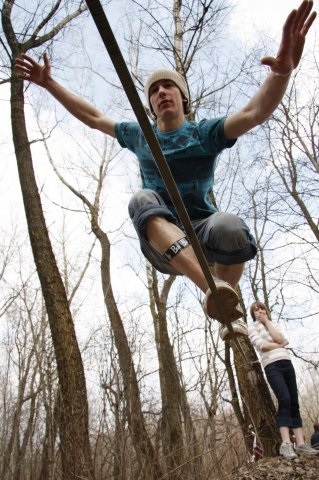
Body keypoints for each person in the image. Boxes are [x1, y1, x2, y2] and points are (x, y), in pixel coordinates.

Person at [15, 2, 316, 340]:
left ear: (183, 97)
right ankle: (214, 291)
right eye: (154, 90)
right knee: (142, 197)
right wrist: (50, 85)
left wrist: (282, 72)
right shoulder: (142, 135)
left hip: (206, 234)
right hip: (164, 240)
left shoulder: (204, 133)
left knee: (231, 225)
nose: (160, 92)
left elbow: (255, 112)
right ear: (151, 103)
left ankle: (225, 304)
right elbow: (95, 117)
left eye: (168, 86)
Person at [248, 300, 319, 459]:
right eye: (256, 311)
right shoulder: (252, 327)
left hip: (287, 363)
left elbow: (280, 337)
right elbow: (262, 346)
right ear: (253, 314)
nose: (260, 312)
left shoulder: (273, 324)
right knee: (284, 398)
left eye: (262, 310)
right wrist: (280, 345)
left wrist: (268, 324)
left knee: (294, 401)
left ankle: (300, 445)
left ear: (266, 312)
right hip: (271, 365)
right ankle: (286, 444)